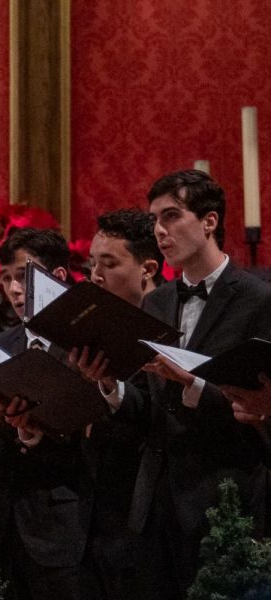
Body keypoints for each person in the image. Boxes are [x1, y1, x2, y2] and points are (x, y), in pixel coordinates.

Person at [75, 170, 271, 598]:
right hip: (155, 503)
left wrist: (193, 384)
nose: (160, 231)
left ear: (209, 221)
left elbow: (262, 412)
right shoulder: (157, 302)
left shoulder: (258, 299)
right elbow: (149, 408)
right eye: (154, 220)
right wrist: (111, 386)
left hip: (224, 497)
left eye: (172, 216)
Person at [0, 227, 95, 600]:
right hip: (2, 526)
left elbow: (96, 445)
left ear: (58, 277)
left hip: (63, 525)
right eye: (7, 278)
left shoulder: (83, 348)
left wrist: (33, 434)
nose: (14, 289)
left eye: (25, 276)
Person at [74, 208, 164, 599]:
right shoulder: (86, 325)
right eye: (93, 263)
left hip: (144, 514)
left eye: (109, 263)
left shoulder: (166, 328)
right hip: (89, 516)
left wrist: (110, 387)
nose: (96, 274)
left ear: (147, 269)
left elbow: (157, 418)